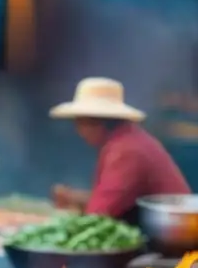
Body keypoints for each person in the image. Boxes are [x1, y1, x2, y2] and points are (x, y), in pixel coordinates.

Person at [50, 77, 190, 221]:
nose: (79, 131)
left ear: (97, 122)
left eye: (80, 123)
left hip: (173, 233)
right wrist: (74, 198)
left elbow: (98, 217)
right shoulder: (127, 140)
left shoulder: (125, 152)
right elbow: (115, 198)